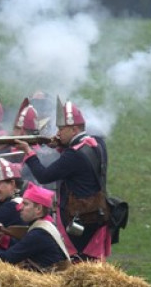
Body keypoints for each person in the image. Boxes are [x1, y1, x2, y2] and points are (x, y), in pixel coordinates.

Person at [16, 98, 111, 261]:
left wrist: (29, 152)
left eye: (61, 128)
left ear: (74, 129)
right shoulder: (95, 144)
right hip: (94, 212)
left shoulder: (73, 154)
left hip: (80, 217)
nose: (58, 132)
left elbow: (43, 176)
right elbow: (77, 167)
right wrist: (60, 146)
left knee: (78, 264)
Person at [0, 182, 71, 272]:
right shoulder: (44, 225)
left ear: (38, 209)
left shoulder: (39, 233)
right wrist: (3, 238)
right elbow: (24, 248)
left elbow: (5, 259)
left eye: (26, 204)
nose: (19, 208)